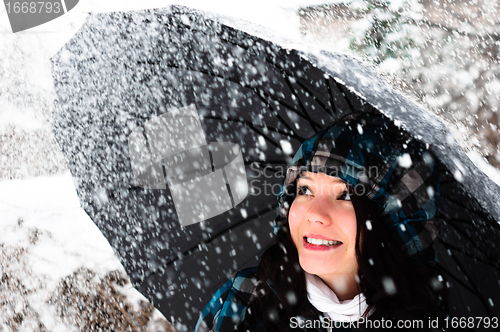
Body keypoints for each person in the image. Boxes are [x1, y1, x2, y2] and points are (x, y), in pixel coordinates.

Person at [195, 111, 447, 332]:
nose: (315, 214)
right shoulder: (244, 299)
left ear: (392, 225)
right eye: (305, 190)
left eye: (345, 195)